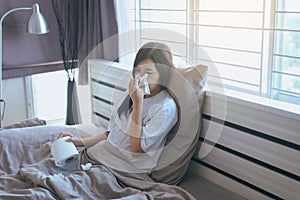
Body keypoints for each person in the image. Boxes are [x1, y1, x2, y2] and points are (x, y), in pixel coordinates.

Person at [59, 42, 178, 171]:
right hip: (104, 155)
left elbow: (136, 149)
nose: (141, 78)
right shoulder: (131, 93)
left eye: (149, 73)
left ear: (164, 74)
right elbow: (112, 133)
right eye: (138, 71)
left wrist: (138, 104)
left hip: (127, 168)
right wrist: (80, 142)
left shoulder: (165, 108)